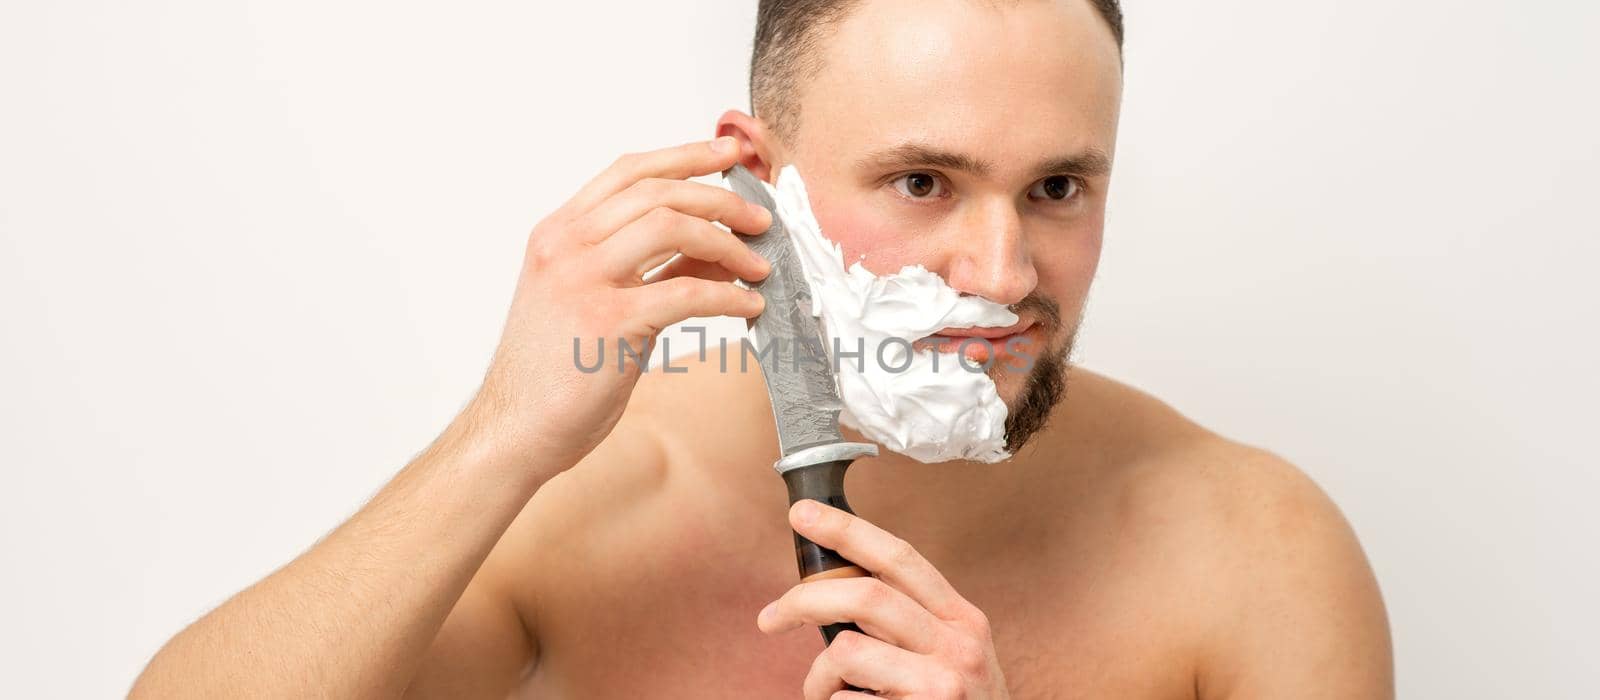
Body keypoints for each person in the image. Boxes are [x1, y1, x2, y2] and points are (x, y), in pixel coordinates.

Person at [131, 0, 1393, 697]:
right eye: (919, 181)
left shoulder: (1256, 548)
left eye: (1058, 186)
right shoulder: (592, 502)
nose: (1002, 276)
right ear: (759, 176)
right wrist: (499, 435)